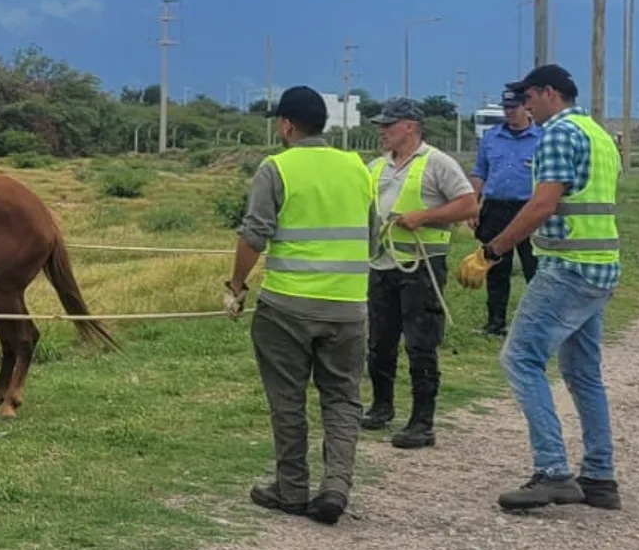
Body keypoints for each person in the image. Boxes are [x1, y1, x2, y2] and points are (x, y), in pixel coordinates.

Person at [472, 64, 622, 512]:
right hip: (601, 265)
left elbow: (542, 204)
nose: (524, 106)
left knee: (519, 358)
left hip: (568, 265)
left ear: (550, 93)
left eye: (529, 97)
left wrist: (492, 250)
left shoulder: (556, 134)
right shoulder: (596, 132)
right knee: (582, 373)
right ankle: (599, 476)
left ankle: (553, 471)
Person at [224, 85, 375, 526]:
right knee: (343, 398)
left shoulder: (277, 168)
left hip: (287, 306)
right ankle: (336, 486)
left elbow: (254, 234)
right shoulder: (358, 168)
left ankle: (291, 488)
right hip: (348, 306)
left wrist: (236, 285)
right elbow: (373, 231)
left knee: (287, 398)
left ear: (286, 125)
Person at [360, 97, 478, 450]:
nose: (382, 131)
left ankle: (422, 422)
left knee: (420, 343)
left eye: (388, 125)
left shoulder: (438, 163)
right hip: (382, 265)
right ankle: (381, 407)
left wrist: (423, 217)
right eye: (380, 125)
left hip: (422, 267)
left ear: (410, 126)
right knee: (379, 341)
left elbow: (468, 204)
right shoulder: (376, 167)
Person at [470, 84, 541, 337]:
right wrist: (472, 204)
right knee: (496, 267)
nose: (509, 112)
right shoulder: (491, 137)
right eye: (506, 108)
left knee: (534, 268)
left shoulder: (541, 137)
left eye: (514, 107)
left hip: (528, 209)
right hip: (495, 208)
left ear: (526, 108)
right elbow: (480, 171)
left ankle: (534, 325)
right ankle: (495, 323)